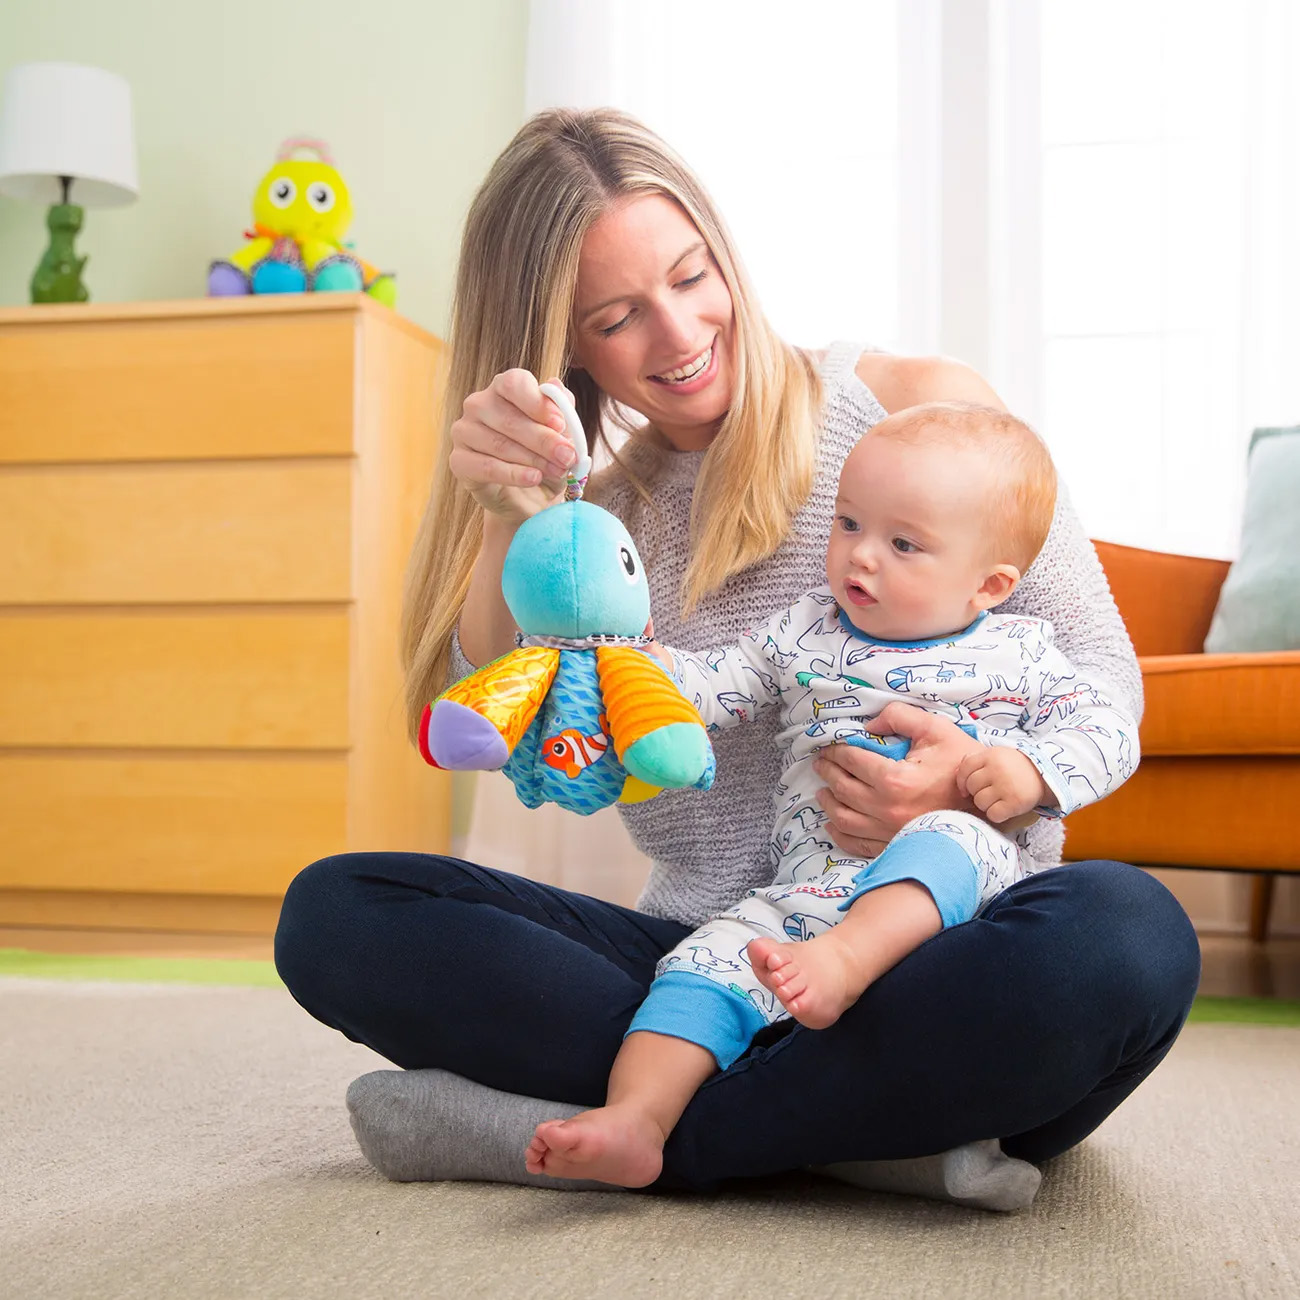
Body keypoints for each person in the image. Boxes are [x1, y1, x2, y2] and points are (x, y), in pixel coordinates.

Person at [273, 107, 1200, 1211]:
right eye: (617, 317)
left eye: (690, 275)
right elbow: (521, 716)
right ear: (560, 344)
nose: (676, 335)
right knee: (338, 910)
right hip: (712, 949)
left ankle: (632, 1126)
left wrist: (966, 783)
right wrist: (499, 516)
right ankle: (878, 1139)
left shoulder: (914, 413)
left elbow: (1102, 678)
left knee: (1126, 940)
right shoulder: (594, 541)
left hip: (951, 944)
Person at [524, 401, 1140, 1188]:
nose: (862, 556)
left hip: (956, 920)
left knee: (954, 839)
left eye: (903, 543)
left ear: (989, 584)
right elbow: (719, 681)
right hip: (807, 900)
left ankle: (841, 987)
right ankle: (638, 1122)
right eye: (848, 524)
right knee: (703, 962)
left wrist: (1031, 775)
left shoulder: (1020, 652)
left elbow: (1110, 728)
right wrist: (631, 668)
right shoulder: (809, 628)